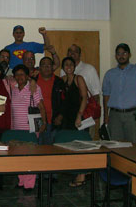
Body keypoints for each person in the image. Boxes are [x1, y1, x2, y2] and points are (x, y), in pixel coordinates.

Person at [11, 64, 45, 190]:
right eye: (17, 74)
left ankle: (29, 183)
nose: (20, 77)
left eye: (22, 74)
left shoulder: (33, 88)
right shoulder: (13, 89)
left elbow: (41, 106)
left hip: (30, 127)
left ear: (27, 76)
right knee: (18, 155)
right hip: (16, 128)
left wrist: (44, 123)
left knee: (29, 155)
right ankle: (21, 181)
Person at [60, 44, 101, 139]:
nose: (72, 53)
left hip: (83, 113)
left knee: (84, 140)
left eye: (75, 51)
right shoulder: (63, 75)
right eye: (70, 51)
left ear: (79, 54)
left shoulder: (89, 69)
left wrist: (89, 114)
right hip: (68, 115)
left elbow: (94, 94)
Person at [60, 56, 88, 187]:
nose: (68, 66)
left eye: (71, 64)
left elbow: (84, 98)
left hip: (78, 117)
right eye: (66, 64)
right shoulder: (62, 80)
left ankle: (81, 175)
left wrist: (79, 115)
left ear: (75, 66)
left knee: (80, 146)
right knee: (70, 145)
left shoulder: (79, 79)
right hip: (67, 118)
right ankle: (75, 171)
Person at [36, 57, 65, 145]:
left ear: (53, 67)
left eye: (49, 65)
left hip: (53, 122)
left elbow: (64, 102)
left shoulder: (59, 82)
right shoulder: (33, 80)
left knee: (51, 151)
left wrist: (60, 116)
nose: (46, 67)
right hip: (37, 122)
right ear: (39, 68)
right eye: (43, 65)